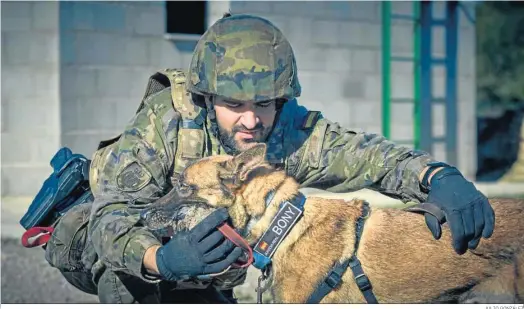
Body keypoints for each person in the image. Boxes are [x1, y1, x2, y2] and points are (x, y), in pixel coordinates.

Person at [37, 13, 495, 304]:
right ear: (206, 97)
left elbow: (371, 157)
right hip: (136, 253)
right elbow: (111, 219)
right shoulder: (165, 124)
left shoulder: (287, 129)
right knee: (119, 269)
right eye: (235, 104)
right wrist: (161, 260)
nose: (252, 121)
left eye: (264, 103)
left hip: (210, 264)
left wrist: (437, 176)